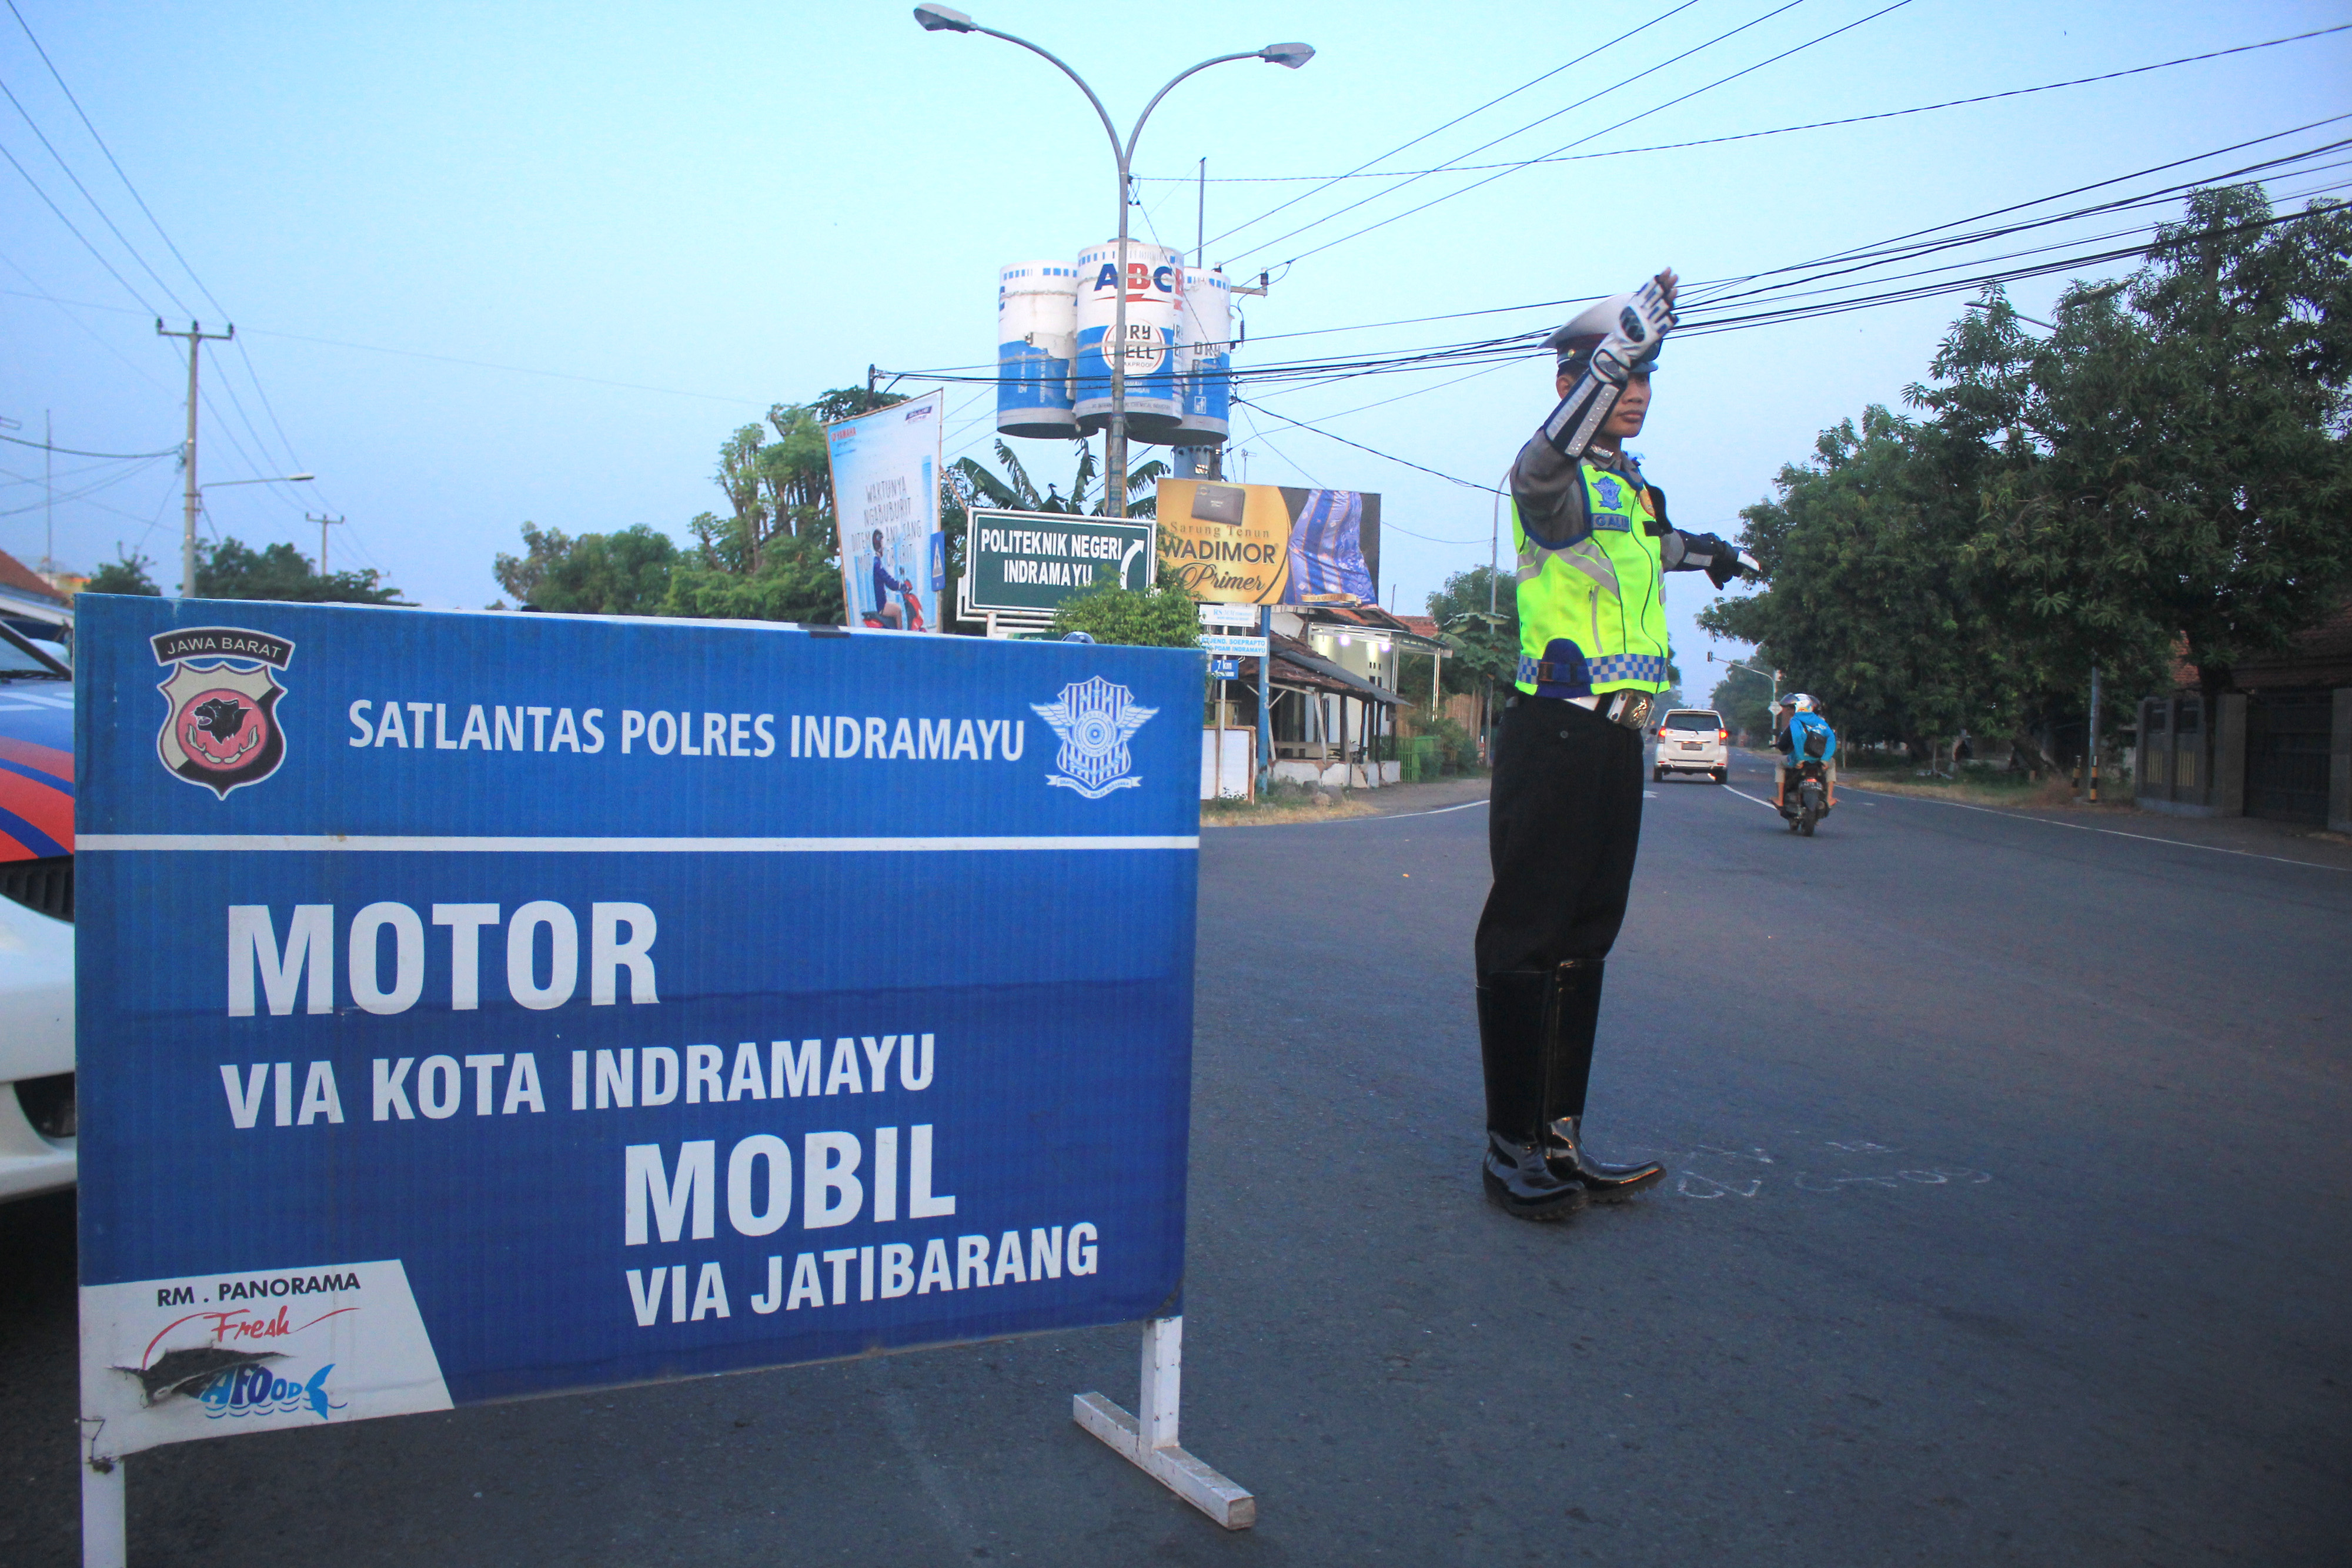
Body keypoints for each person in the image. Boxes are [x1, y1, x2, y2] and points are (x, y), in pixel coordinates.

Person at [1476, 269, 1758, 1221]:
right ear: (1573, 382)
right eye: (1621, 376)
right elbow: (1537, 470)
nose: (1636, 393)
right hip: (1553, 729)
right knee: (1526, 935)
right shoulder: (1551, 481)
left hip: (1617, 741)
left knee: (1586, 936)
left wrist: (1711, 553)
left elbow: (1658, 544)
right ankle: (1509, 1148)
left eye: (1645, 377)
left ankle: (1560, 1138)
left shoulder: (1630, 488)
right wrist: (1610, 359)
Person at [1772, 694, 1837, 811]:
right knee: (1832, 764)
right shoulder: (1822, 723)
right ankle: (1829, 798)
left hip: (1799, 759)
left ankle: (1780, 799)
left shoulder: (1795, 723)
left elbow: (1783, 745)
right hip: (1819, 760)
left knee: (1780, 763)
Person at [869, 529, 910, 630]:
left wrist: (899, 586)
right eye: (882, 544)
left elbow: (888, 581)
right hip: (882, 606)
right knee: (898, 610)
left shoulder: (877, 563)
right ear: (878, 545)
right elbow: (888, 580)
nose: (883, 547)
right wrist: (900, 586)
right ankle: (900, 637)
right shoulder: (877, 565)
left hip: (882, 604)